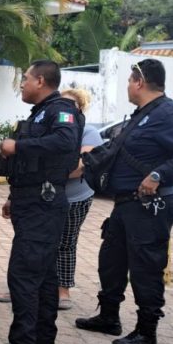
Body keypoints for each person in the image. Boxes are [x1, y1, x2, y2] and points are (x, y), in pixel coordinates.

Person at [75, 59, 173, 344]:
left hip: (150, 206)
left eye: (129, 80)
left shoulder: (169, 114)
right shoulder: (143, 114)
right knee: (111, 262)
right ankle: (109, 316)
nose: (127, 86)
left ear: (139, 82)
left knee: (146, 267)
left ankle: (147, 332)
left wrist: (159, 175)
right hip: (125, 204)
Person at [0, 60, 82, 344]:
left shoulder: (60, 109)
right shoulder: (41, 112)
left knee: (23, 277)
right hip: (32, 200)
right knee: (44, 276)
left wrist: (17, 146)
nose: (21, 84)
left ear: (40, 80)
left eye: (24, 79)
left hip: (43, 205)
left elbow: (65, 143)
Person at [56, 89, 104, 310]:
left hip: (76, 197)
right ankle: (26, 285)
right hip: (46, 194)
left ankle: (62, 290)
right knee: (33, 240)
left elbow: (81, 166)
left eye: (69, 104)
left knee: (65, 242)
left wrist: (45, 173)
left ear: (80, 108)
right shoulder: (50, 128)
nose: (63, 108)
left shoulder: (88, 132)